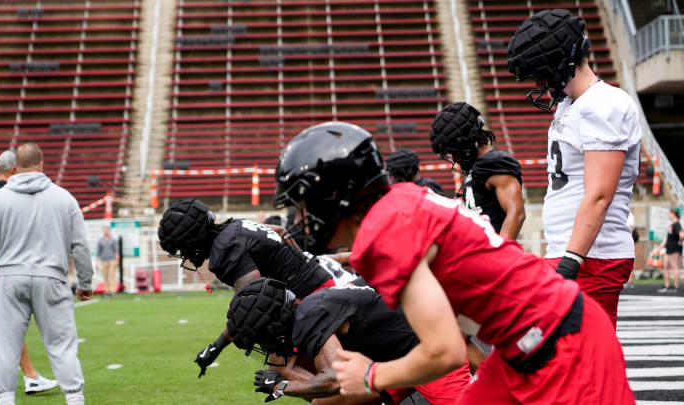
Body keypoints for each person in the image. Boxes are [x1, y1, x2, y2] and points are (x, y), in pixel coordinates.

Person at [274, 122, 634, 404]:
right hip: (532, 340)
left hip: (561, 344)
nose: (301, 215)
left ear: (335, 197)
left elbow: (444, 352)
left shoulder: (385, 231)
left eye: (305, 202)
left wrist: (372, 375)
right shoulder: (402, 200)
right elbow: (462, 295)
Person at [507, 9, 642, 324]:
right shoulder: (573, 105)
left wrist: (571, 260)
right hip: (577, 252)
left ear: (560, 63)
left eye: (540, 72)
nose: (539, 82)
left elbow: (598, 195)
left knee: (577, 358)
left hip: (592, 256)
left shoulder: (603, 105)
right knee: (567, 358)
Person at [156, 198, 356, 378]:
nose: (184, 256)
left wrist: (216, 347)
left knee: (282, 369)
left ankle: (340, 395)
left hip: (315, 295)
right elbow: (281, 231)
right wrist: (301, 261)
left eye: (182, 249)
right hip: (320, 279)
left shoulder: (224, 251)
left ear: (193, 241)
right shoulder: (234, 227)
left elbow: (254, 309)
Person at [0, 143, 93, 405]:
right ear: (42, 164)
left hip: (9, 278)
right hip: (52, 278)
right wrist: (85, 283)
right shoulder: (64, 197)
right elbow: (80, 245)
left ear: (14, 167)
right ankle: (74, 399)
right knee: (62, 345)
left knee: (5, 345)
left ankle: (5, 399)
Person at [226, 278, 470, 404]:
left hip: (428, 358)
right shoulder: (312, 306)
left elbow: (335, 379)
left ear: (273, 326)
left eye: (262, 339)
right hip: (399, 361)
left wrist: (282, 387)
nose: (266, 347)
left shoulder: (308, 319)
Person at [0, 150, 58, 401]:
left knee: (1, 322)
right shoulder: (6, 192)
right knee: (1, 322)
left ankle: (28, 377)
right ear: (14, 169)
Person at [430, 102, 526, 240]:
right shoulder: (478, 167)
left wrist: (498, 254)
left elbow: (516, 214)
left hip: (492, 256)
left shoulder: (494, 163)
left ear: (467, 145)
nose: (455, 159)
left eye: (454, 152)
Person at [657, 209, 683, 292]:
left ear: (673, 214)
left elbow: (682, 235)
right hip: (668, 249)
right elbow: (667, 238)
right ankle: (667, 286)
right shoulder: (672, 225)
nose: (668, 215)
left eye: (669, 214)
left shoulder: (677, 224)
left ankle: (676, 287)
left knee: (675, 267)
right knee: (665, 266)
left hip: (674, 248)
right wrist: (660, 247)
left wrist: (679, 242)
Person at [96, 226, 120, 297]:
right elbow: (98, 252)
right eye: (104, 230)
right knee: (105, 275)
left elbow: (116, 251)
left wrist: (117, 260)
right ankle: (107, 291)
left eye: (106, 229)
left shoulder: (113, 240)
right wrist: (97, 262)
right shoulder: (100, 240)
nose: (105, 231)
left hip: (112, 260)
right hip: (104, 260)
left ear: (108, 230)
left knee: (112, 275)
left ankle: (113, 291)